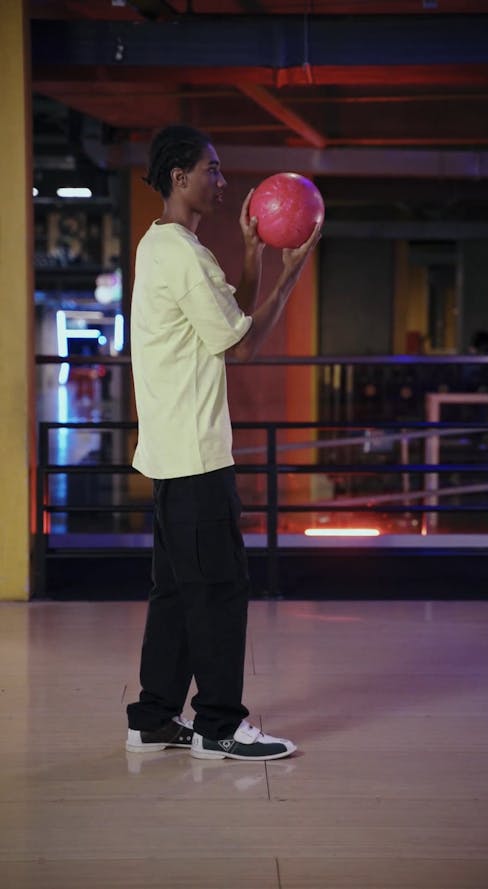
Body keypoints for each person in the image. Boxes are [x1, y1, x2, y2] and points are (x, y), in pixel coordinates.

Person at [126, 124, 321, 761]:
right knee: (217, 590)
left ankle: (154, 718)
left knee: (179, 590)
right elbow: (242, 345)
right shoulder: (182, 253)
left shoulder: (163, 246)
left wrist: (254, 255)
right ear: (180, 178)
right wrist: (292, 272)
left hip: (170, 453)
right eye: (211, 169)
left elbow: (222, 316)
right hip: (196, 456)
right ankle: (218, 726)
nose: (222, 179)